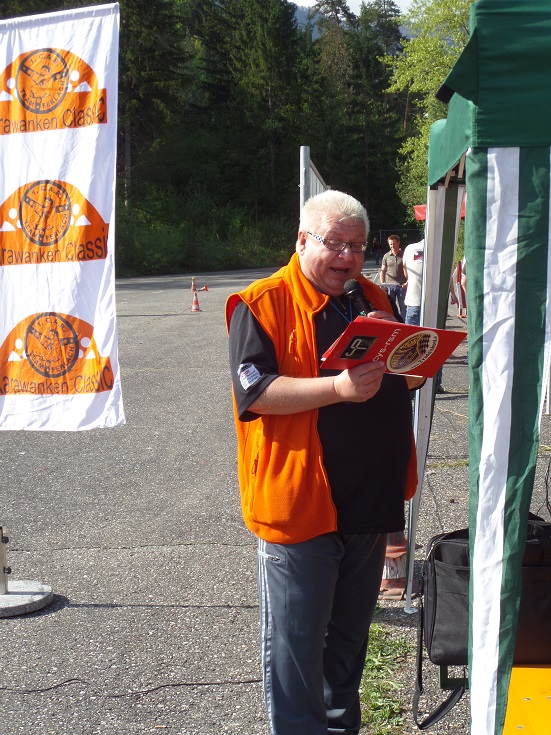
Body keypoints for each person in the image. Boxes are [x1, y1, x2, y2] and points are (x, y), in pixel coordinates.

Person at [226, 190, 423, 735]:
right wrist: (337, 388)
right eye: (334, 244)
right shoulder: (261, 303)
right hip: (301, 506)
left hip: (369, 500)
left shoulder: (374, 298)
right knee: (297, 648)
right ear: (302, 240)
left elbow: (396, 381)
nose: (347, 257)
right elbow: (256, 393)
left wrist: (411, 359)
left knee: (349, 643)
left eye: (357, 246)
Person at [380, 234, 406, 319]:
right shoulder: (386, 256)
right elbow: (383, 271)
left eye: (394, 243)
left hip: (402, 286)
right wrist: (383, 285)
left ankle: (403, 324)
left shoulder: (404, 255)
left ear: (398, 243)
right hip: (390, 286)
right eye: (390, 244)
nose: (392, 246)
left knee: (404, 308)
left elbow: (408, 270)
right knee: (390, 308)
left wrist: (408, 282)